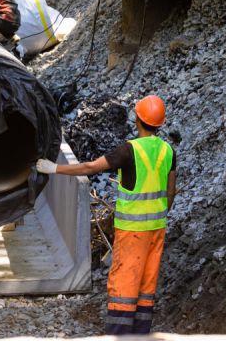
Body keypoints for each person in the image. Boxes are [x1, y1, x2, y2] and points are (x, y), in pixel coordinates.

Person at [36, 95, 176, 335]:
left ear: (138, 119)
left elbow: (90, 167)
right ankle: (141, 334)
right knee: (146, 282)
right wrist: (158, 214)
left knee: (125, 283)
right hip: (157, 229)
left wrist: (54, 168)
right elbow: (171, 190)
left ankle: (120, 335)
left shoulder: (129, 150)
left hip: (133, 231)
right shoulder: (167, 151)